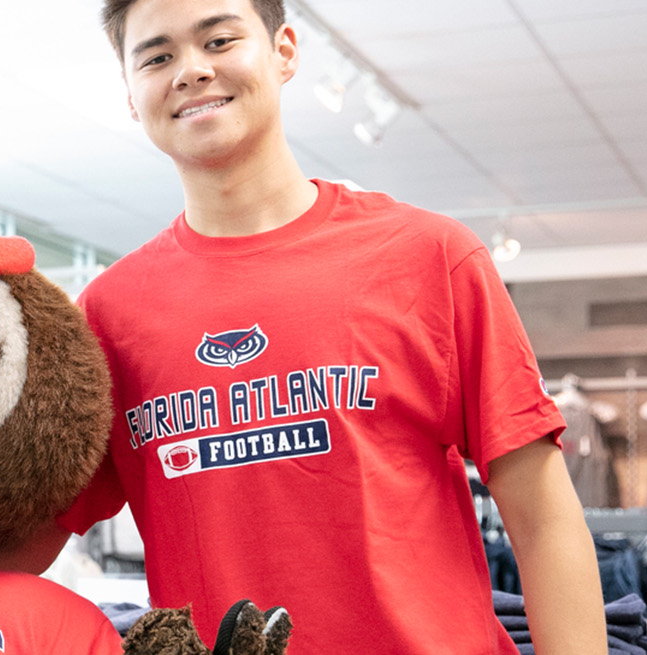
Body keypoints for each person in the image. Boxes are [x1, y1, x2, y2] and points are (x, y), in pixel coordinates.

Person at [46, 0, 609, 653]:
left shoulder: (429, 257)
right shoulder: (106, 316)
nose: (191, 71)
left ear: (284, 50)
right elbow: (24, 534)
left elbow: (542, 516)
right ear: (129, 93)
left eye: (219, 40)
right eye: (158, 56)